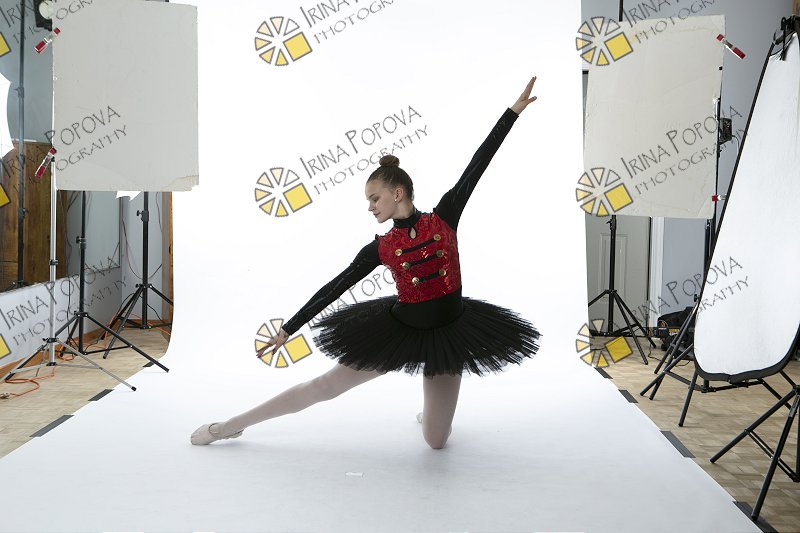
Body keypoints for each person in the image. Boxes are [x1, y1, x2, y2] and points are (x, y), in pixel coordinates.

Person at [191, 76, 540, 449]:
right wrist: (288, 329)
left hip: (448, 334)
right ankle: (230, 426)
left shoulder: (444, 218)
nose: (370, 207)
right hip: (399, 331)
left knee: (436, 441)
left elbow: (478, 163)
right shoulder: (381, 248)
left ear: (397, 193)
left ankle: (432, 417)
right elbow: (335, 287)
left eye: (374, 198)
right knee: (325, 387)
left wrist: (512, 113)